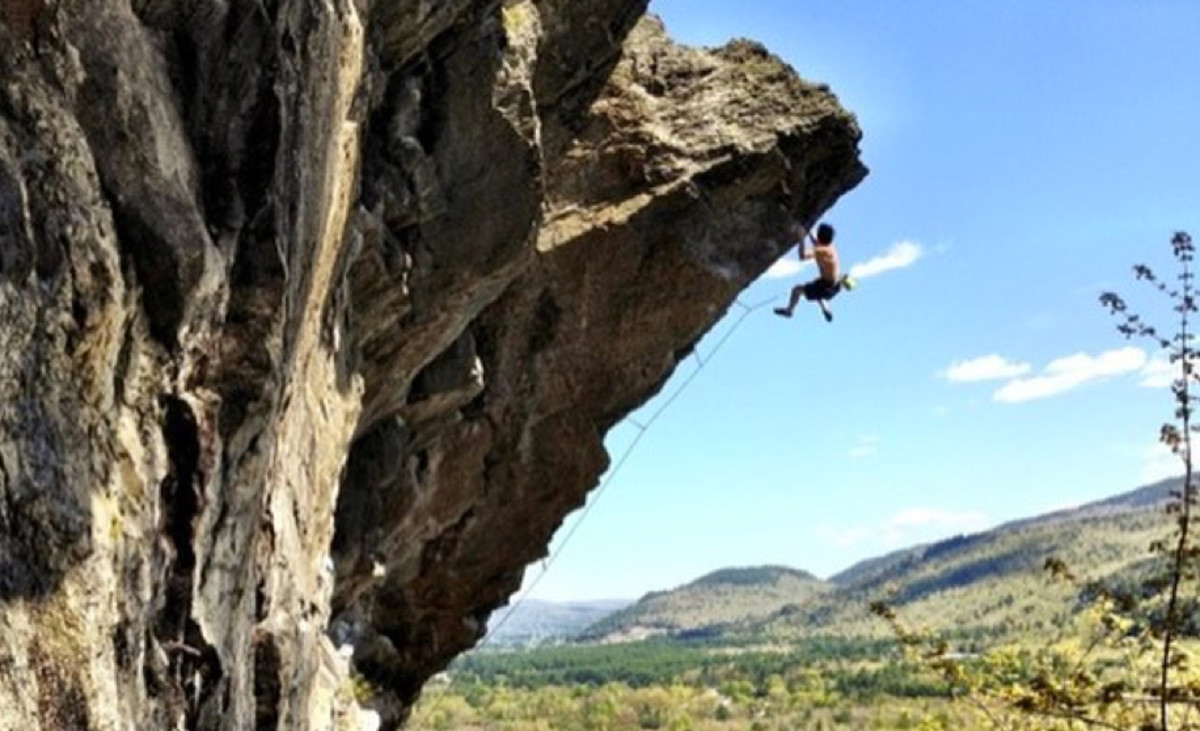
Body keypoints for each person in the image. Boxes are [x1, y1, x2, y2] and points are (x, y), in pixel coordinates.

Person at [773, 222, 851, 322]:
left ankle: (789, 311)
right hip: (835, 285)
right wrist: (808, 230)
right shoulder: (830, 247)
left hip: (826, 287)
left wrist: (801, 238)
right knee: (816, 287)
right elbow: (816, 243)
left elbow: (802, 256)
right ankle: (825, 306)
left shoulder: (820, 251)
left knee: (796, 290)